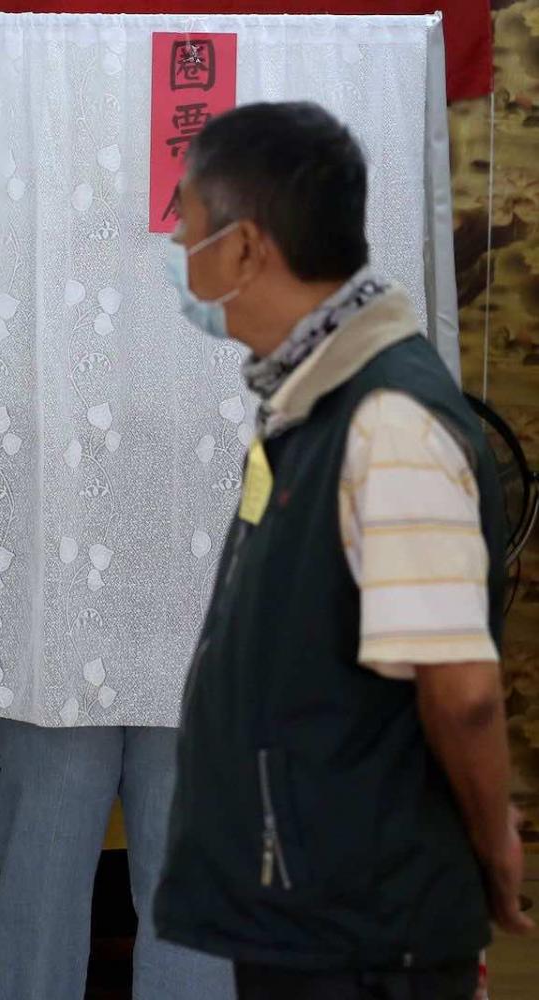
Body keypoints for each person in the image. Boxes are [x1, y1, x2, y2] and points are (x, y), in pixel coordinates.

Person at [155, 102, 531, 1000]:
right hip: (311, 911)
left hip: (363, 927)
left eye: (190, 227)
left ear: (246, 249)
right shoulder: (315, 399)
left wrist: (491, 843)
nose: (180, 251)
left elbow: (463, 691)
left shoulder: (388, 420)